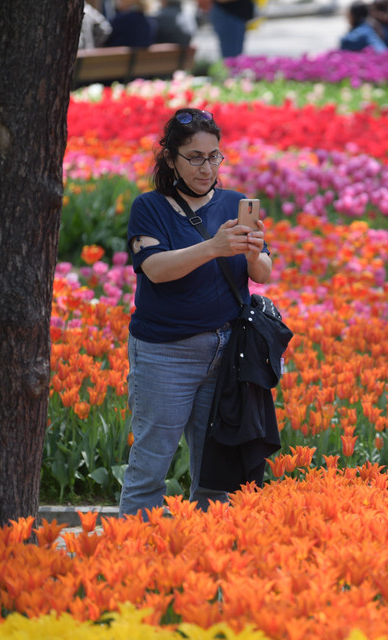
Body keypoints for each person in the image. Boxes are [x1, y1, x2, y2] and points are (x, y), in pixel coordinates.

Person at [119, 107, 273, 517]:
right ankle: (129, 548)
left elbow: (263, 273)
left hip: (228, 351)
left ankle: (203, 550)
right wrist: (214, 247)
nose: (207, 168)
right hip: (165, 353)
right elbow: (155, 269)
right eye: (195, 158)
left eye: (214, 156)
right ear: (171, 159)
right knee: (151, 466)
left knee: (216, 472)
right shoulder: (150, 207)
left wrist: (253, 253)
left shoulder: (235, 203)